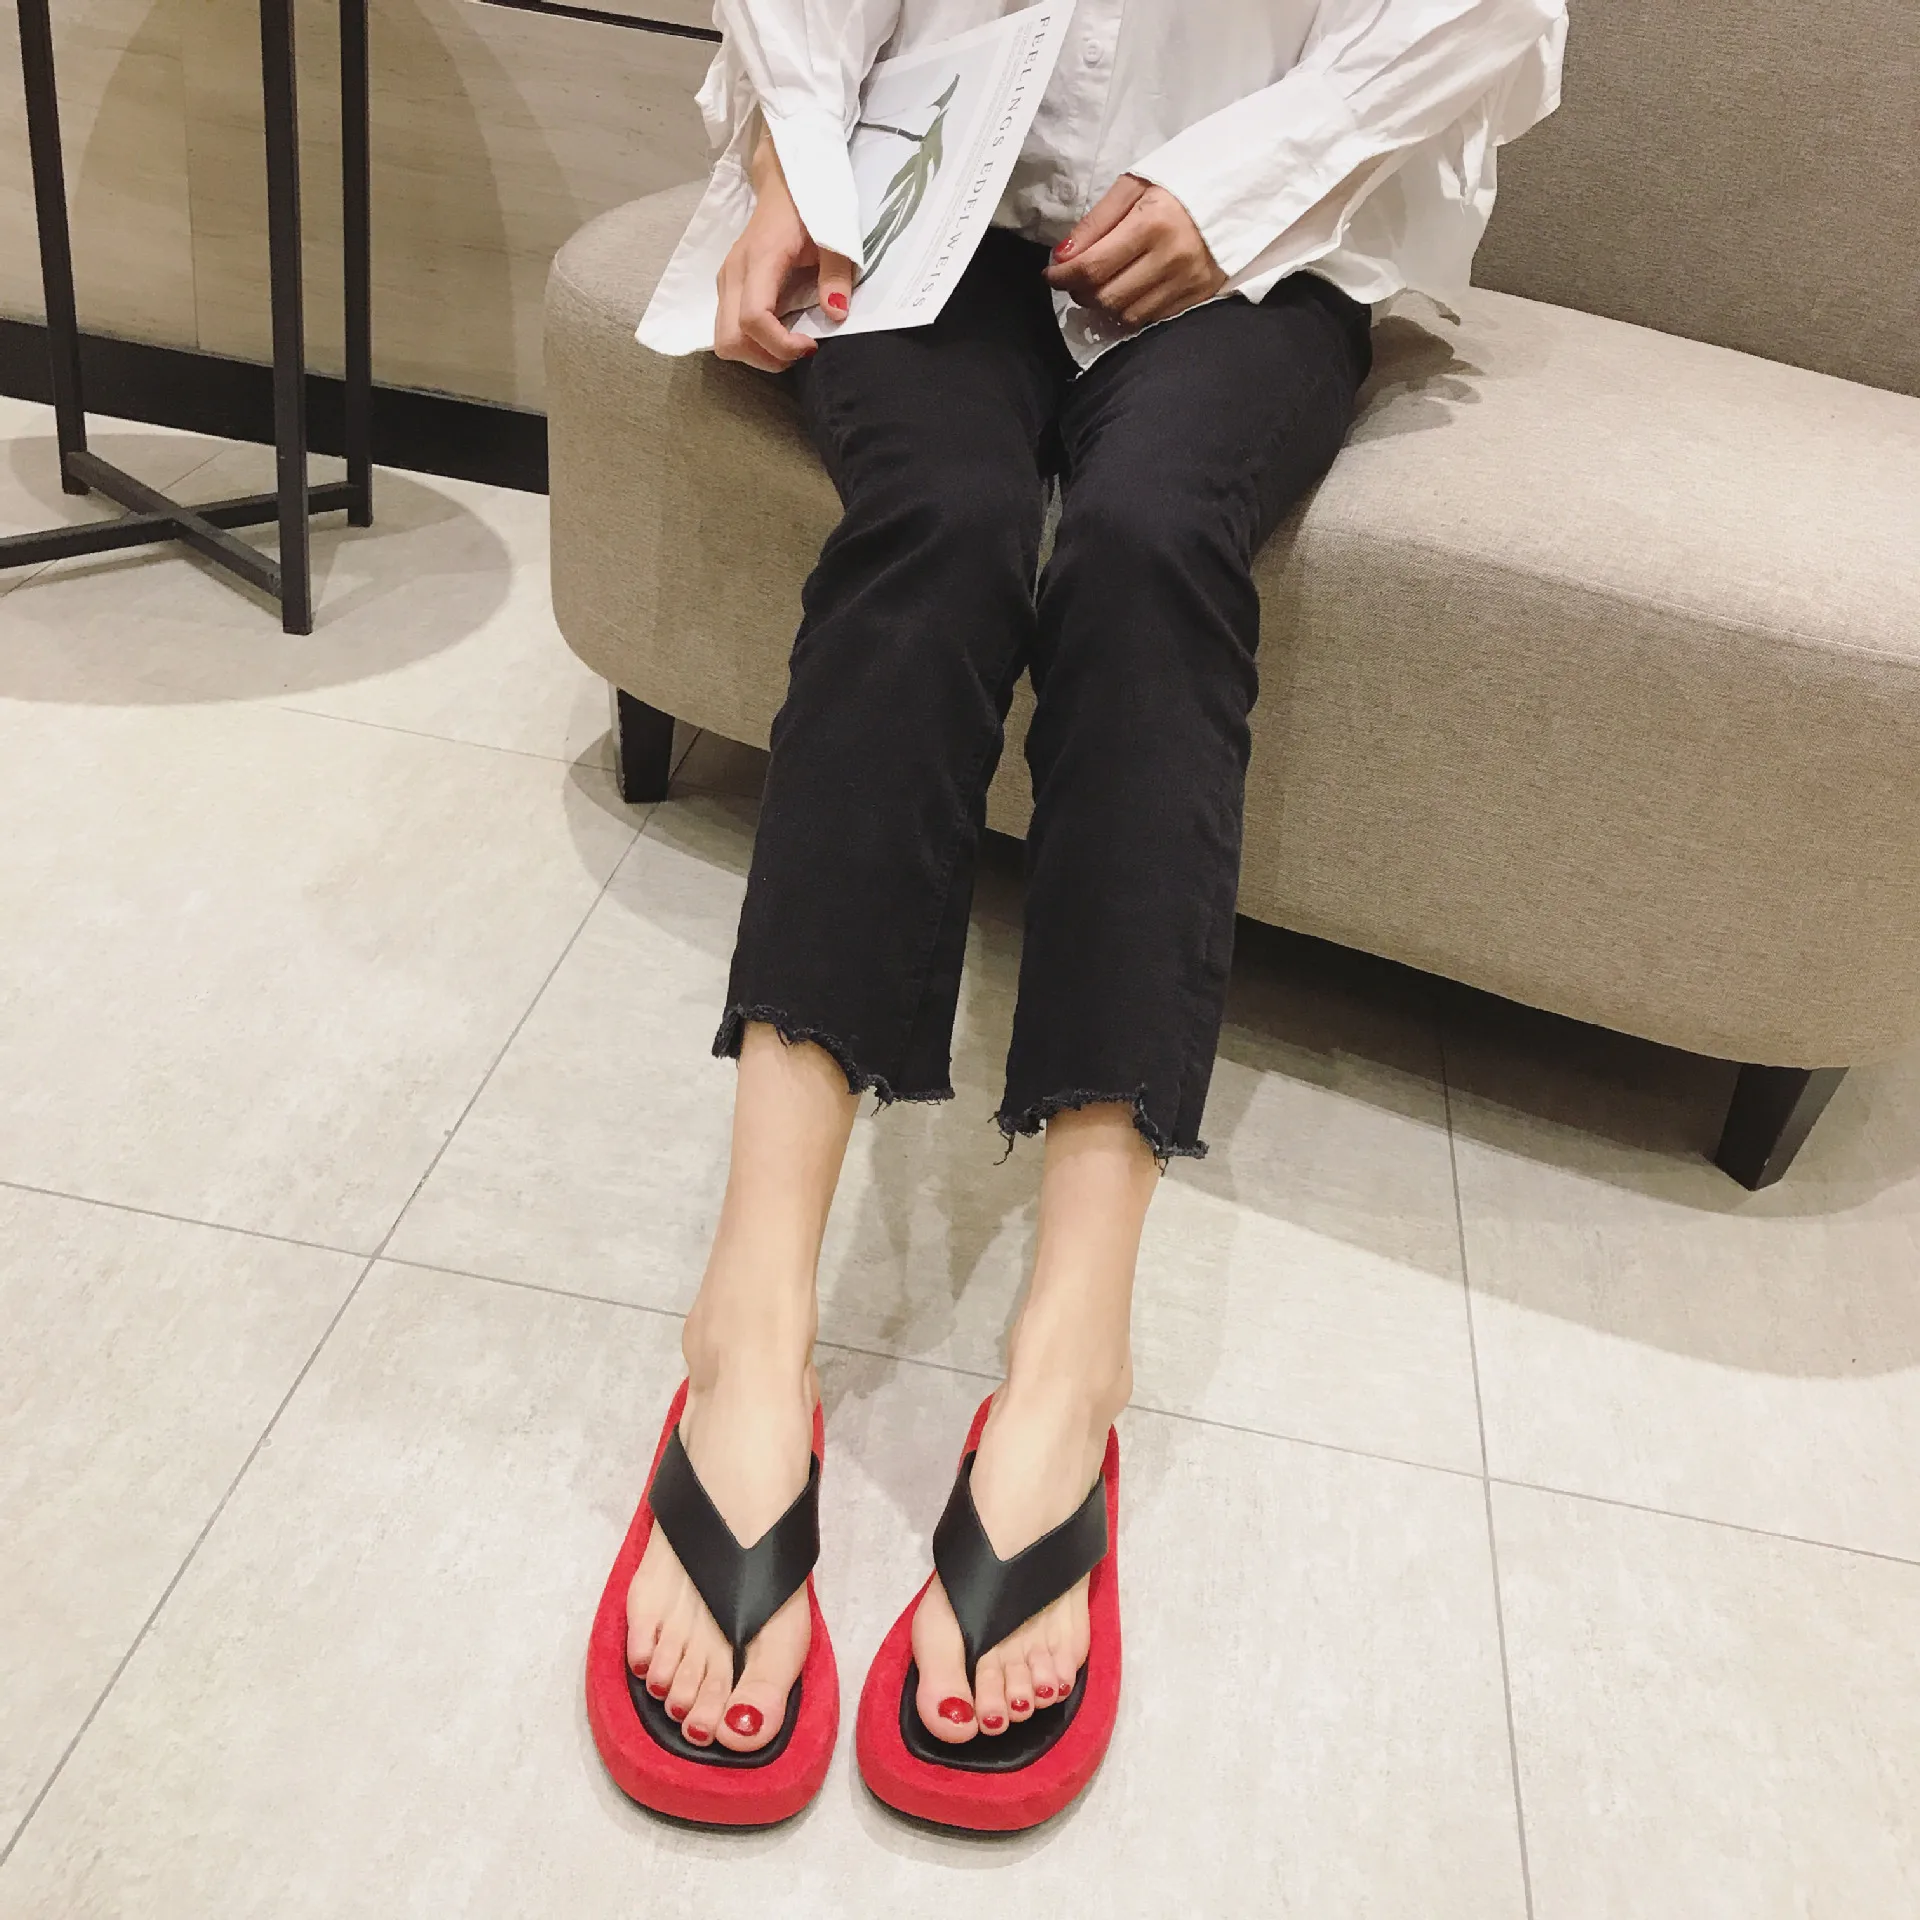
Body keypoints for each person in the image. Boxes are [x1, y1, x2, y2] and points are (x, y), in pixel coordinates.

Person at [594, 0, 1568, 1833]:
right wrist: (799, 151)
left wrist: (1250, 175)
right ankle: (748, 1323)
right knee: (940, 526)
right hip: (931, 190)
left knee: (1146, 543)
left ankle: (1070, 1357)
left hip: (1264, 235)